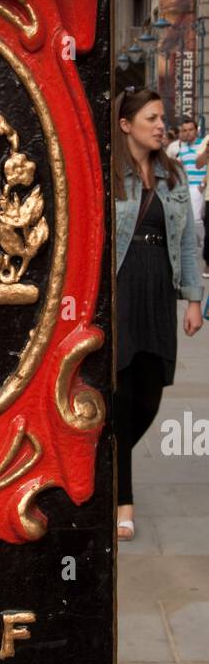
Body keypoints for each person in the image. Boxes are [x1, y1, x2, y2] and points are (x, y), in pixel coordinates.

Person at [114, 88, 204, 542]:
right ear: (126, 124)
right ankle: (122, 499)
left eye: (162, 117)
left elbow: (188, 241)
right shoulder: (111, 174)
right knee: (124, 394)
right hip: (122, 288)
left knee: (150, 396)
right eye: (151, 118)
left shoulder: (171, 176)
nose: (160, 125)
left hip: (157, 290)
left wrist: (193, 299)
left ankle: (102, 466)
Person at [167, 115, 206, 251]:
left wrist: (203, 184)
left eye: (190, 129)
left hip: (199, 187)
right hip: (185, 187)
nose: (187, 132)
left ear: (196, 131)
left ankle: (203, 243)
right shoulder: (180, 147)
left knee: (195, 218)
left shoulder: (203, 145)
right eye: (184, 130)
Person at [195, 130, 209, 278]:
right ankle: (208, 264)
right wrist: (206, 150)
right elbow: (199, 165)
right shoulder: (207, 140)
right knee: (208, 233)